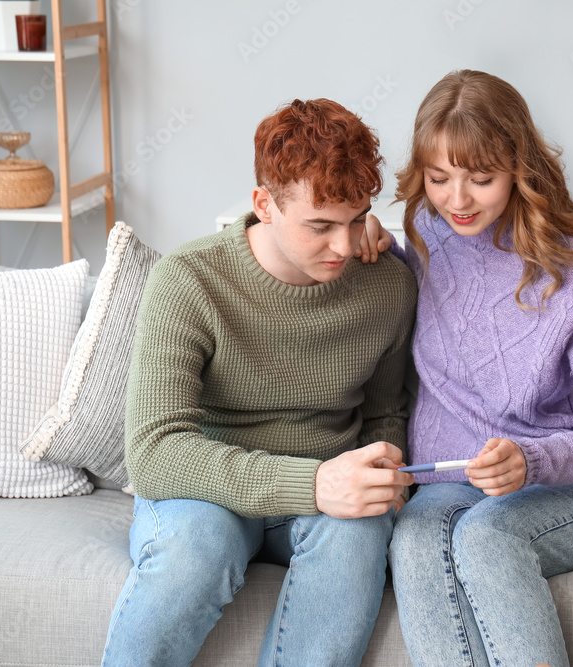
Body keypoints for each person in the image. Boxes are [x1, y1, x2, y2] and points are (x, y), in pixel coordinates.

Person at [101, 98, 417, 667]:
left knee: (360, 536)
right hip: (210, 487)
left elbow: (384, 414)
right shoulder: (189, 279)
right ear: (264, 205)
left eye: (355, 220)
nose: (343, 247)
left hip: (329, 493)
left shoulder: (388, 285)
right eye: (319, 226)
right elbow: (153, 453)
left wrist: (381, 475)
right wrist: (313, 483)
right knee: (199, 548)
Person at [373, 70, 573, 666]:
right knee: (417, 541)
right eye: (439, 178)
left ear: (519, 169)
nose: (458, 200)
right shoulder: (426, 236)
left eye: (482, 179)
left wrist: (535, 461)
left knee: (489, 537)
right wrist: (367, 242)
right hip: (447, 477)